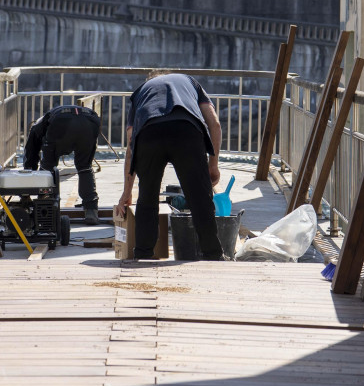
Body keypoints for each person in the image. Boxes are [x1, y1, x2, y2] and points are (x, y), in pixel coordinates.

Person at [115, 71, 223, 260]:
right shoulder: (190, 82)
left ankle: (143, 254)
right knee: (199, 196)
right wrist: (213, 165)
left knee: (147, 196)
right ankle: (213, 254)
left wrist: (127, 191)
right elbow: (214, 123)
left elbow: (131, 144)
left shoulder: (141, 92)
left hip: (149, 133)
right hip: (186, 129)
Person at [24, 104, 101, 222]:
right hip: (90, 121)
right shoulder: (48, 118)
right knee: (85, 166)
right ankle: (91, 211)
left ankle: (45, 209)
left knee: (47, 169)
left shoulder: (37, 127)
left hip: (60, 124)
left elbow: (31, 152)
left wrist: (29, 170)